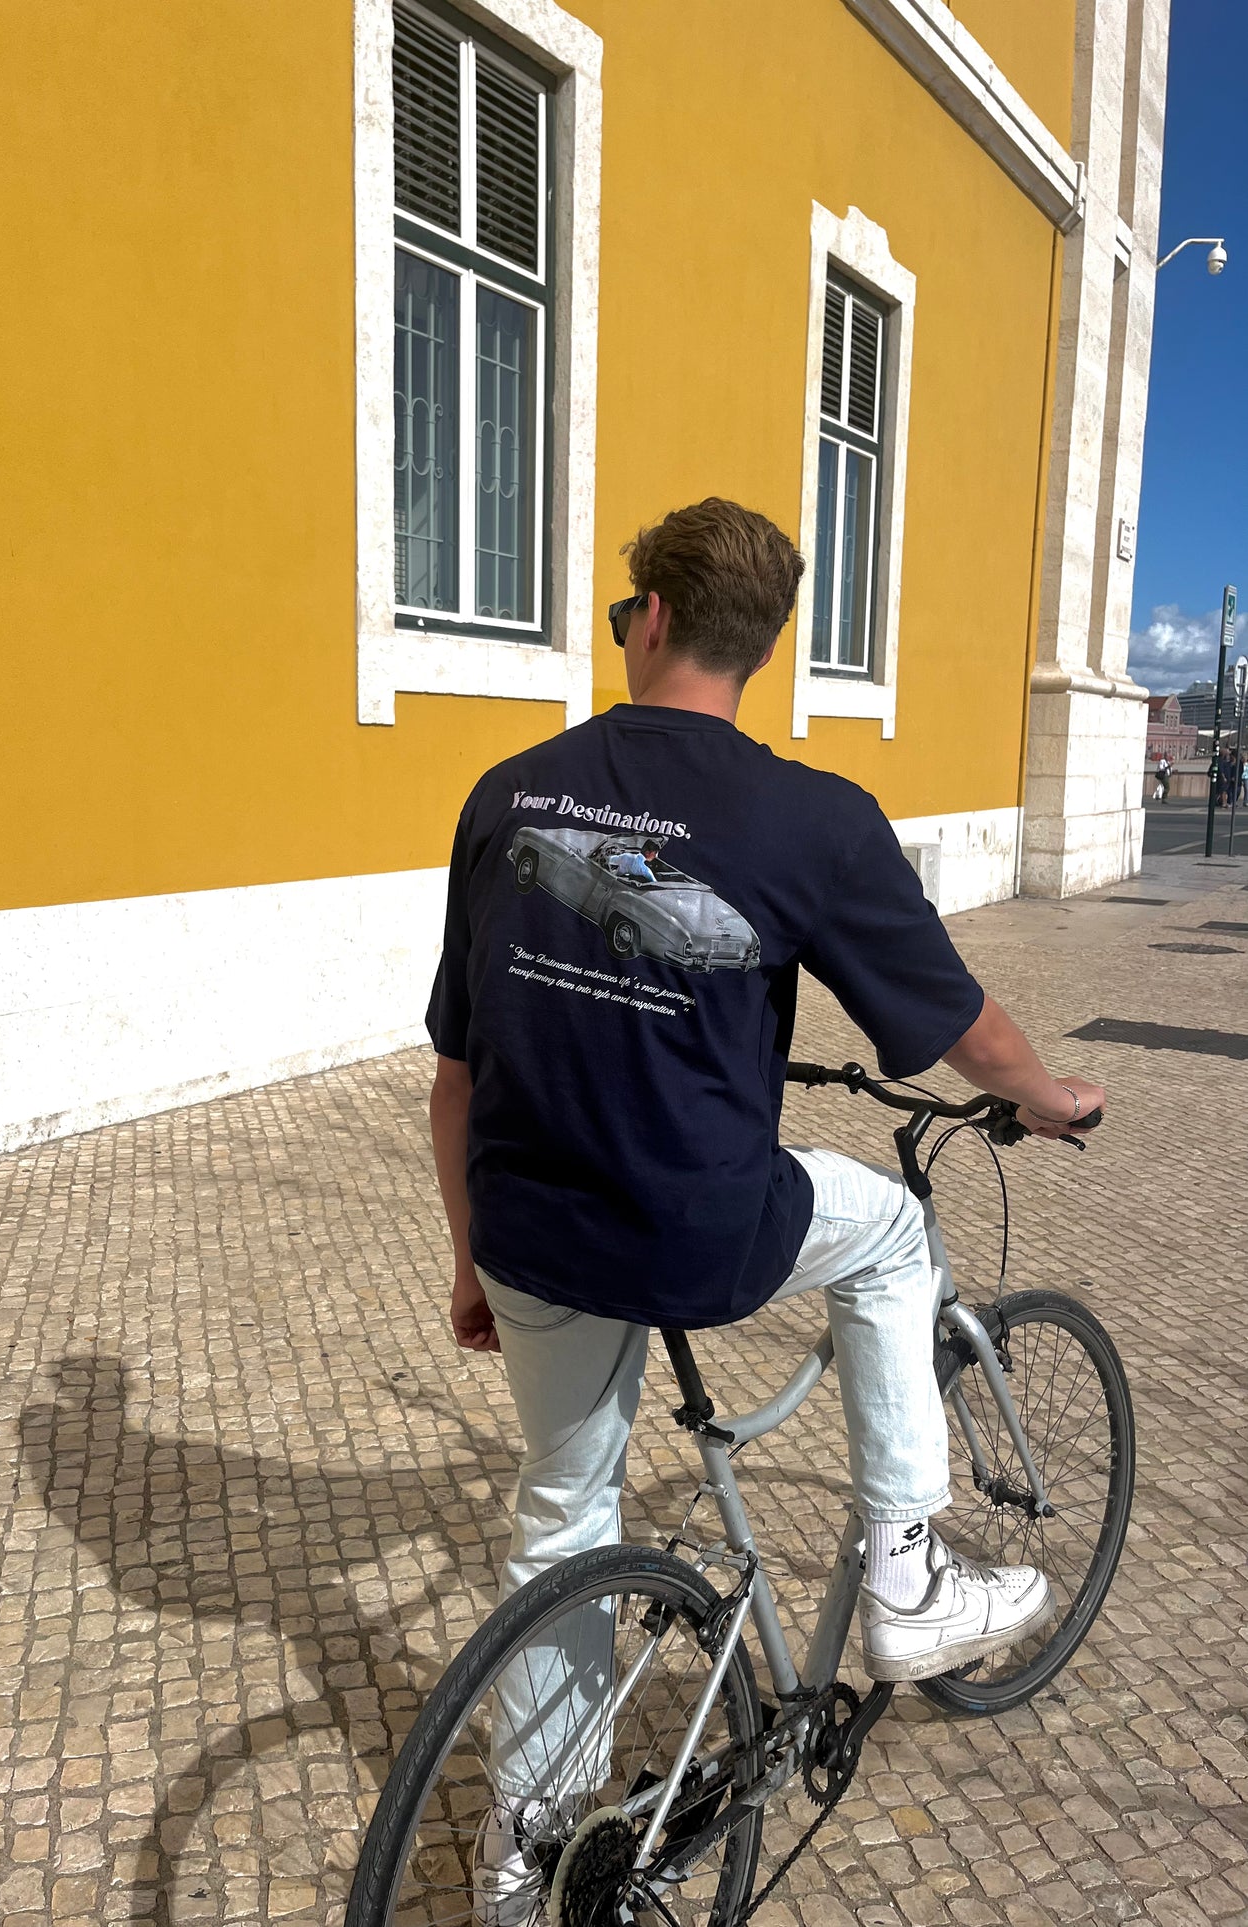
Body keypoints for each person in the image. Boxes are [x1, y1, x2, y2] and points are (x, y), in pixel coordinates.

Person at [425, 499, 1107, 1922]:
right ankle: (908, 1579)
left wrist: (467, 1262)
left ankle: (524, 1844)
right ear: (760, 646)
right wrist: (1042, 1094)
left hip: (528, 1227)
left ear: (653, 618)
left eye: (622, 616)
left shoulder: (507, 791)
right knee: (895, 1234)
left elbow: (456, 1072)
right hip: (694, 1226)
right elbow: (954, 1033)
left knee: (561, 1514)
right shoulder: (812, 818)